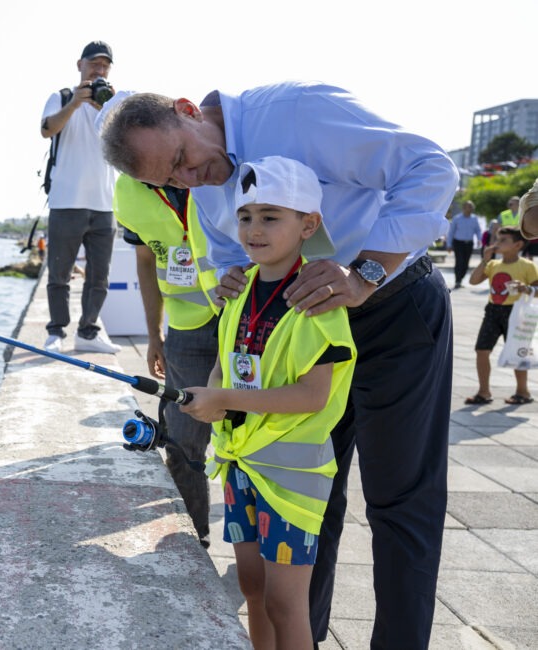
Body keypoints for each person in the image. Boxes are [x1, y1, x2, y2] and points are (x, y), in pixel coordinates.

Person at [100, 83, 457, 649]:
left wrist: (364, 274)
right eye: (168, 182)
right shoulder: (198, 184)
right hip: (296, 333)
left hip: (392, 310)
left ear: (189, 112)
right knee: (310, 502)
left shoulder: (296, 111)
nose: (190, 182)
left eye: (181, 161)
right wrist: (229, 282)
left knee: (401, 502)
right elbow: (221, 255)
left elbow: (431, 170)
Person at [179, 157, 355, 649]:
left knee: (285, 602)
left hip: (291, 480)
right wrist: (210, 396)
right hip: (240, 466)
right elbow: (224, 363)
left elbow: (312, 395)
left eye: (271, 216)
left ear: (308, 225)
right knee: (251, 587)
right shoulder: (237, 291)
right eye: (246, 216)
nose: (254, 229)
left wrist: (225, 397)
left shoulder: (318, 300)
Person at [112, 173, 221, 547]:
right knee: (181, 441)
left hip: (252, 318)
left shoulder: (211, 160)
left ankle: (260, 549)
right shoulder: (127, 190)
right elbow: (145, 259)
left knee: (255, 440)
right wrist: (153, 333)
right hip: (187, 329)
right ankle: (195, 541)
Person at [39, 41, 120, 354]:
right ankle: (56, 332)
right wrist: (75, 103)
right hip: (66, 201)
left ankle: (88, 332)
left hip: (104, 204)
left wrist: (109, 107)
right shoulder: (60, 98)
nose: (98, 70)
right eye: (93, 64)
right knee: (59, 274)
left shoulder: (111, 103)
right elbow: (47, 130)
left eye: (104, 66)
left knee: (99, 277)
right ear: (80, 65)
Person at [465, 227, 538, 405]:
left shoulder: (527, 266)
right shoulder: (493, 265)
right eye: (497, 239)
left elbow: (537, 290)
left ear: (518, 244)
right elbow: (473, 280)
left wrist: (526, 288)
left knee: (516, 352)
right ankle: (484, 392)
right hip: (493, 310)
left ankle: (523, 392)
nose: (497, 244)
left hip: (516, 312)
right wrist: (485, 259)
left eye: (503, 240)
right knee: (482, 350)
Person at [445, 200, 483, 289]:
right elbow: (451, 232)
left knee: (466, 263)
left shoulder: (474, 219)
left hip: (469, 243)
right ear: (463, 208)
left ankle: (460, 279)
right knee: (459, 261)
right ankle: (457, 280)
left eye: (471, 207)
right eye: (467, 206)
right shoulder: (457, 218)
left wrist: (479, 239)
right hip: (458, 243)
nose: (469, 208)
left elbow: (477, 230)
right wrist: (449, 245)